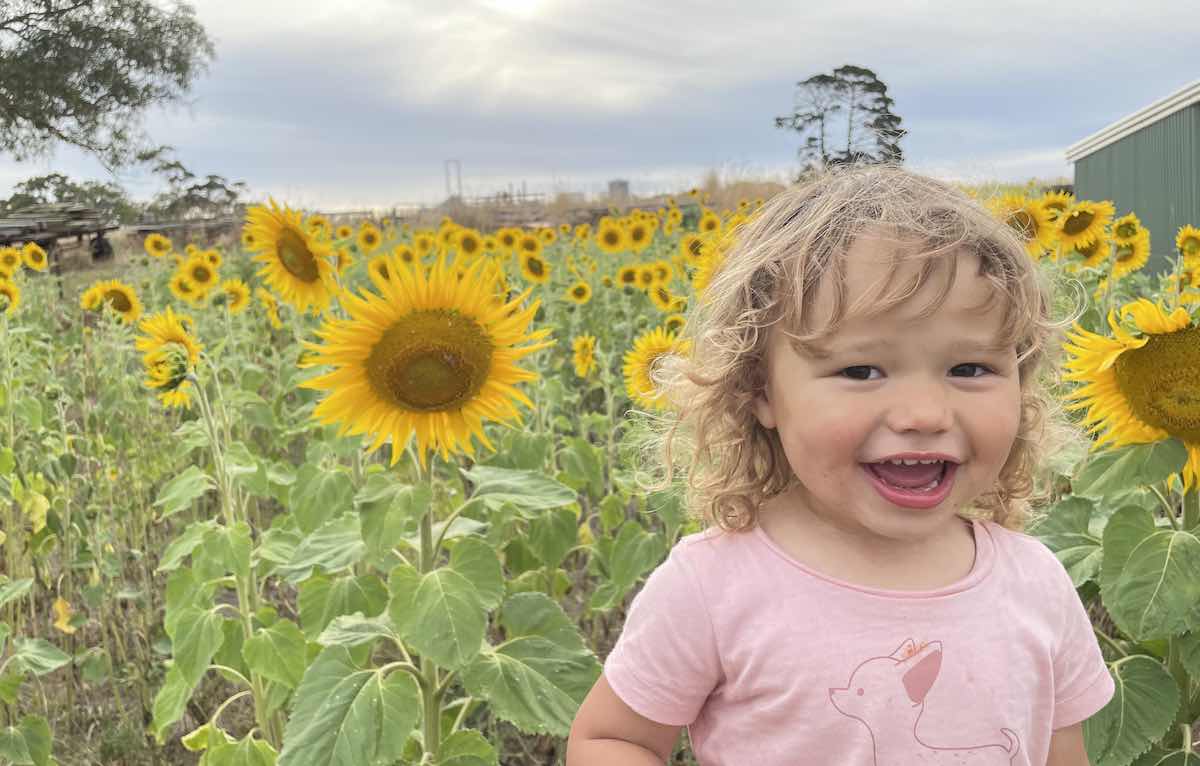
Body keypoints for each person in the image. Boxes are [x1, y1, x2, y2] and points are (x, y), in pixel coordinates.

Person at [566, 164, 1113, 766]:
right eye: (861, 371)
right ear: (761, 392)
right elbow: (613, 739)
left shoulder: (1035, 583)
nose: (924, 413)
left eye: (970, 369)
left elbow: (1062, 750)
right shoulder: (716, 589)